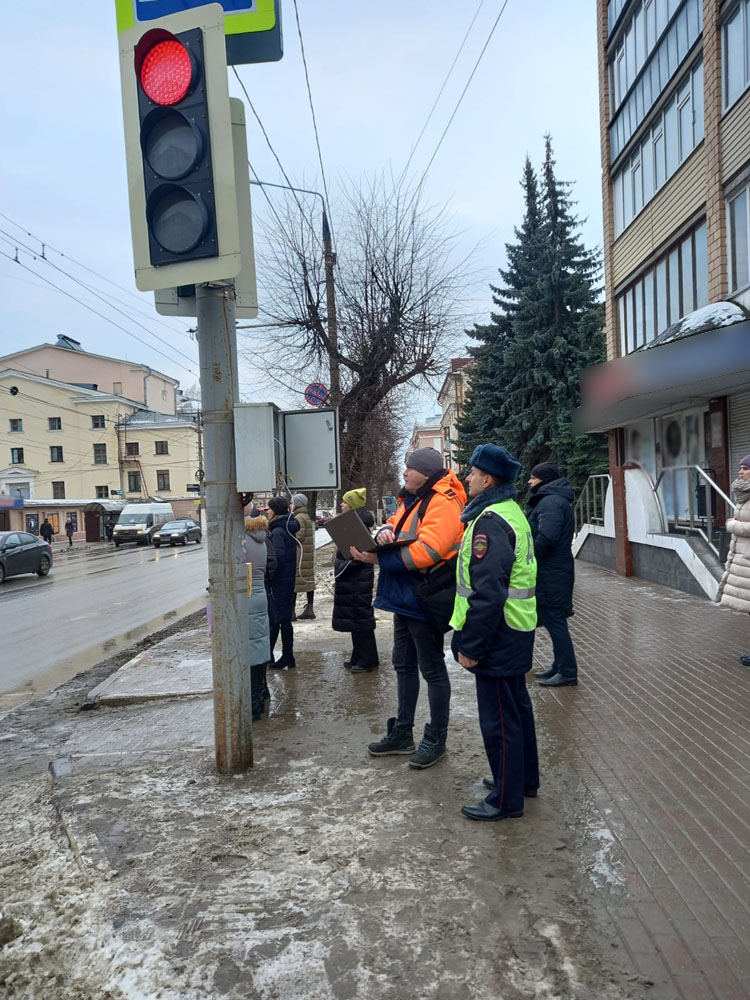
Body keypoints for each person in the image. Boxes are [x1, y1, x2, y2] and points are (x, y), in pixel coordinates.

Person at [351, 447, 466, 769]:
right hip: (406, 595)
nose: (404, 473)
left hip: (425, 596)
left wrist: (379, 558)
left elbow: (430, 550)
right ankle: (403, 731)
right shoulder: (413, 498)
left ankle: (436, 738)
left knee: (432, 670)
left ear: (425, 473)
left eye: (409, 468)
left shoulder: (442, 501)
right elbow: (395, 524)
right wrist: (384, 532)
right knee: (402, 664)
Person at [450, 444, 539, 822]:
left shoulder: (490, 521)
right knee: (517, 709)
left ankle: (506, 799)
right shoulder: (510, 512)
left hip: (499, 634)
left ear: (488, 479)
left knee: (500, 720)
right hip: (516, 627)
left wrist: (471, 644)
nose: (466, 477)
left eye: (471, 473)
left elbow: (488, 592)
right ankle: (522, 781)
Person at [526, 462, 579, 688]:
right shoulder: (552, 500)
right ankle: (559, 665)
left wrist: (529, 558)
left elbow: (547, 538)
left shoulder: (550, 502)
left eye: (533, 477)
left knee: (555, 621)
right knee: (553, 620)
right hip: (554, 570)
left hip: (552, 571)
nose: (529, 481)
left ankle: (567, 671)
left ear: (544, 479)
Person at [333, 488, 379, 673]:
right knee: (356, 619)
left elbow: (358, 556)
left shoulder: (357, 525)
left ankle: (368, 659)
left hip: (357, 580)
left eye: (345, 502)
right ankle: (359, 655)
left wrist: (343, 567)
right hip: (354, 581)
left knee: (361, 620)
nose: (342, 504)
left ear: (351, 504)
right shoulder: (353, 522)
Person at [717, 455, 750, 665]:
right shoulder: (744, 497)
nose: (740, 472)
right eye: (740, 468)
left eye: (745, 469)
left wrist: (732, 525)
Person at [267, 495, 300, 669]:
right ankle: (286, 656)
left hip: (279, 581)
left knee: (276, 620)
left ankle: (273, 656)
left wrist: (268, 575)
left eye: (270, 508)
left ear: (277, 511)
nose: (268, 511)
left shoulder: (278, 531)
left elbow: (276, 557)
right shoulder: (287, 527)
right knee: (283, 620)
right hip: (287, 580)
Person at [244, 510, 271, 720]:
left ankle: (252, 704)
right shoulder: (261, 537)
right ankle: (261, 693)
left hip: (245, 598)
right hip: (260, 596)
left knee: (249, 648)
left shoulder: (241, 540)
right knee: (260, 643)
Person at [291, 493, 316, 620]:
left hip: (300, 555)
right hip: (307, 554)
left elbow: (298, 536)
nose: (291, 505)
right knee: (308, 581)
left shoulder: (299, 517)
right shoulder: (305, 516)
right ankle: (309, 608)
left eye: (292, 503)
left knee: (294, 583)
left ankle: (292, 611)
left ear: (297, 504)